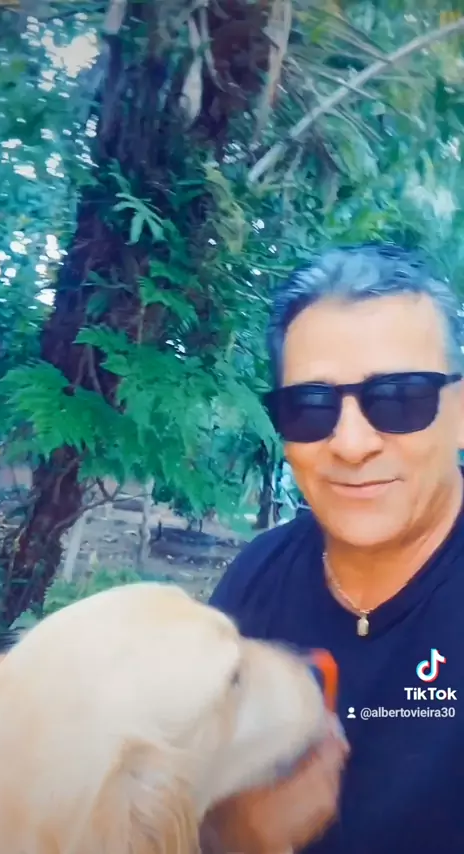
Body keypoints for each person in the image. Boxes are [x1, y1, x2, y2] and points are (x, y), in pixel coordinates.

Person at [203, 243, 464, 854]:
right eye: (311, 406)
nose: (350, 444)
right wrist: (226, 839)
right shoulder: (254, 583)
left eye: (400, 397)